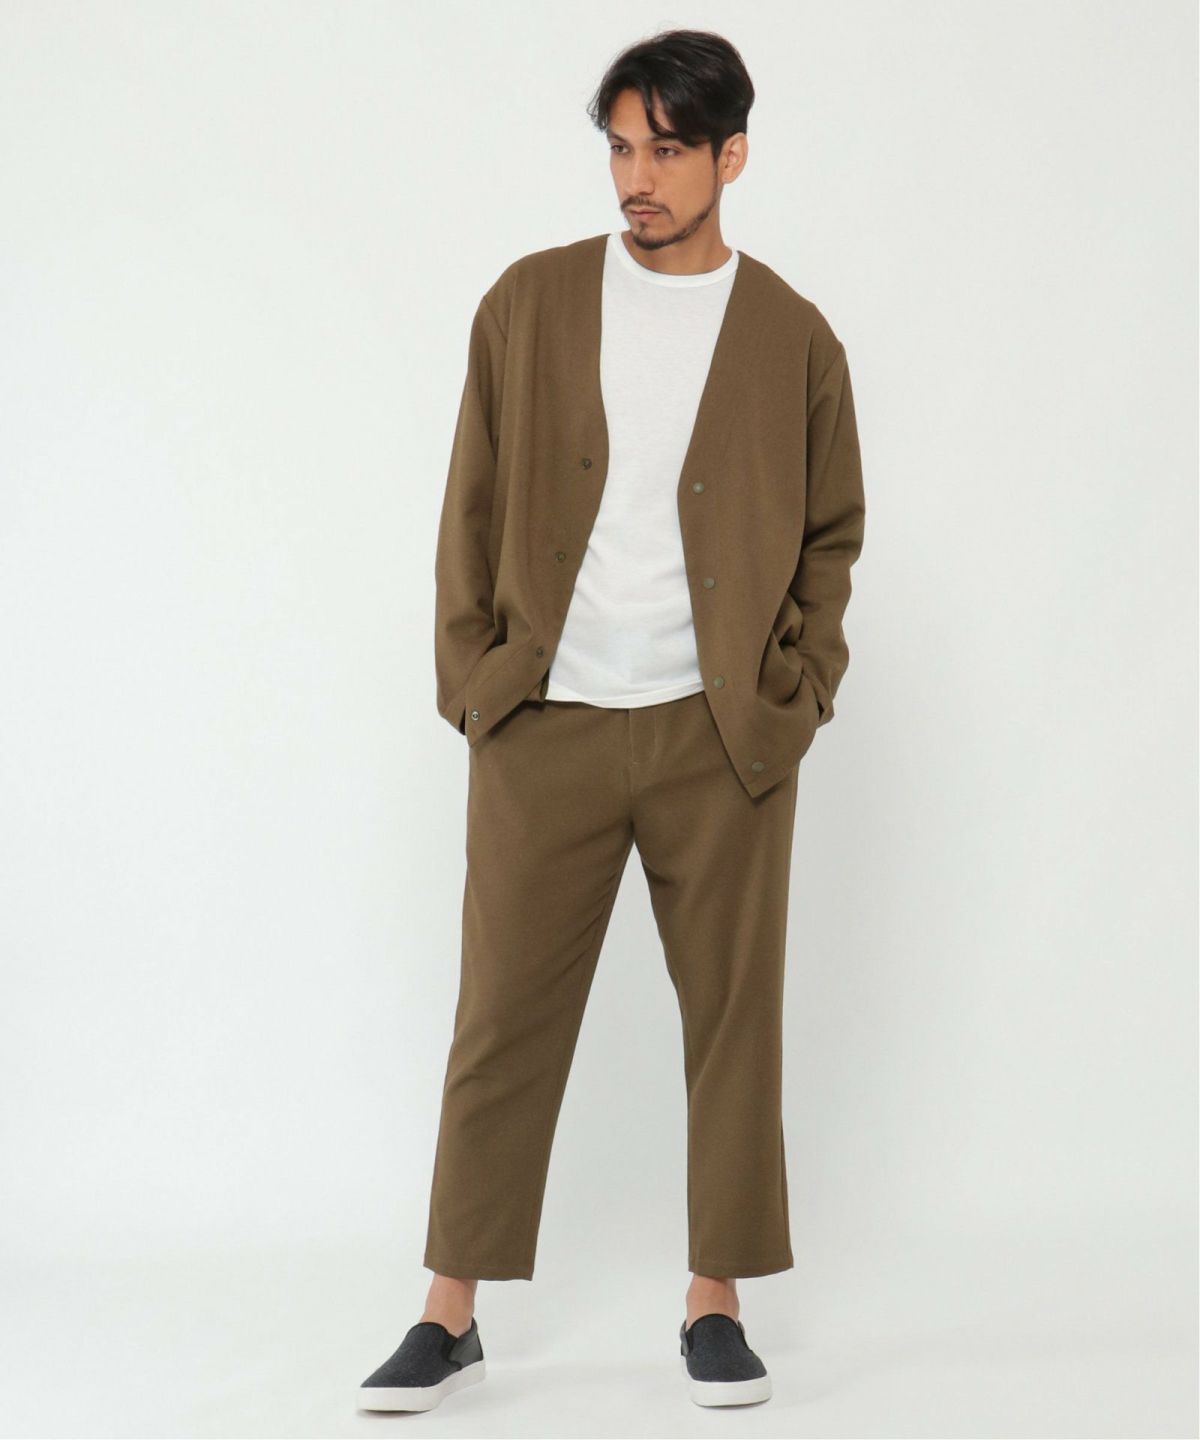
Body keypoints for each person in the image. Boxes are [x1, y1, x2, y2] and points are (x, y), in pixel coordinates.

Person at [358, 26, 865, 1413]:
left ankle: (715, 1301)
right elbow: (469, 500)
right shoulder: (528, 303)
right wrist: (477, 683)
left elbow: (832, 534)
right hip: (547, 726)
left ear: (732, 157)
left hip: (723, 741)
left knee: (735, 1025)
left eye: (668, 151)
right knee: (501, 1020)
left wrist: (798, 692)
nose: (637, 177)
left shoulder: (794, 338)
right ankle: (450, 1310)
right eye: (622, 148)